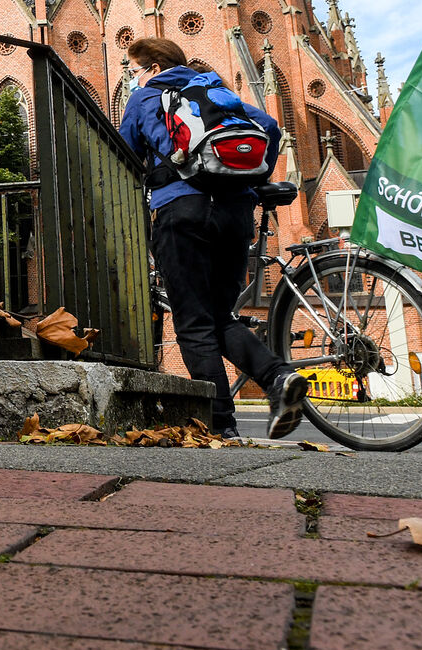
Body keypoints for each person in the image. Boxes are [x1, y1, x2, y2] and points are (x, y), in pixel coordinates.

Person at [118, 36, 307, 439]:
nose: (132, 78)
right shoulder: (214, 89)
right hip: (236, 213)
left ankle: (221, 426)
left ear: (153, 68)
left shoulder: (145, 98)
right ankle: (278, 377)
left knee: (193, 324)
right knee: (220, 316)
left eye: (134, 71)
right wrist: (252, 179)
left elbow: (124, 156)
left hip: (181, 211)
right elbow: (270, 127)